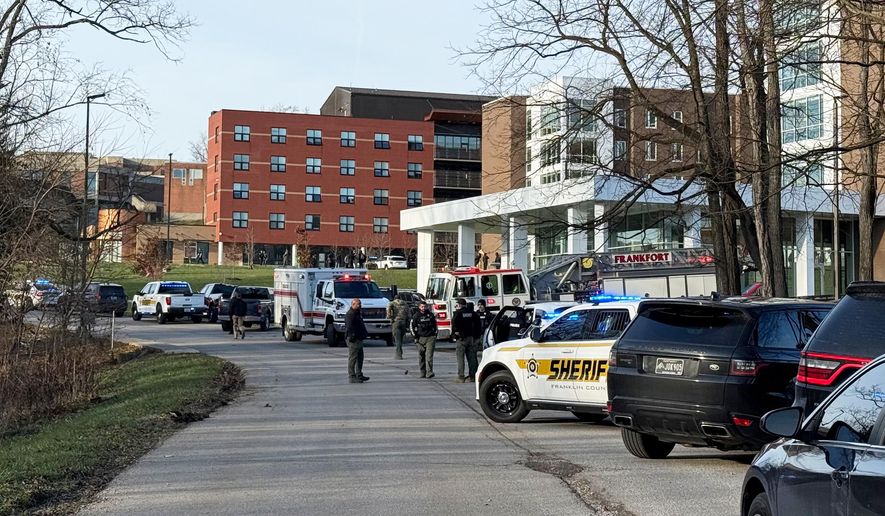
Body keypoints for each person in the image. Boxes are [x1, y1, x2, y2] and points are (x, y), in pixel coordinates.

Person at [451, 298, 481, 382]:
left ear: (459, 305)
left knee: (460, 358)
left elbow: (454, 326)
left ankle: (461, 377)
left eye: (456, 305)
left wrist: (454, 335)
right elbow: (478, 325)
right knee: (472, 358)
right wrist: (477, 337)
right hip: (472, 338)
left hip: (461, 339)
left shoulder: (458, 313)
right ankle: (473, 376)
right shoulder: (473, 313)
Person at [345, 298, 370, 383]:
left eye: (360, 304)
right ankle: (352, 376)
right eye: (358, 304)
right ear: (353, 304)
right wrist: (353, 336)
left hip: (359, 338)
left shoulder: (357, 313)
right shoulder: (350, 314)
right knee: (353, 358)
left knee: (360, 357)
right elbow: (349, 327)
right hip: (354, 339)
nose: (360, 305)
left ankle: (359, 374)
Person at [410, 301, 438, 378]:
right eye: (422, 307)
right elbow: (412, 327)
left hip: (430, 338)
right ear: (419, 307)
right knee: (421, 356)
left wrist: (435, 335)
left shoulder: (430, 315)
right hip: (420, 339)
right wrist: (415, 338)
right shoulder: (416, 316)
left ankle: (429, 372)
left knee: (429, 356)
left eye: (425, 306)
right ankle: (423, 372)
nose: (424, 308)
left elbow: (435, 325)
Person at [387, 294, 411, 360]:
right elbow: (409, 314)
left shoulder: (392, 303)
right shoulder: (405, 304)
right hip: (403, 322)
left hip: (396, 322)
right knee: (400, 338)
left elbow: (388, 313)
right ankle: (399, 352)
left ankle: (399, 354)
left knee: (397, 339)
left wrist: (391, 318)